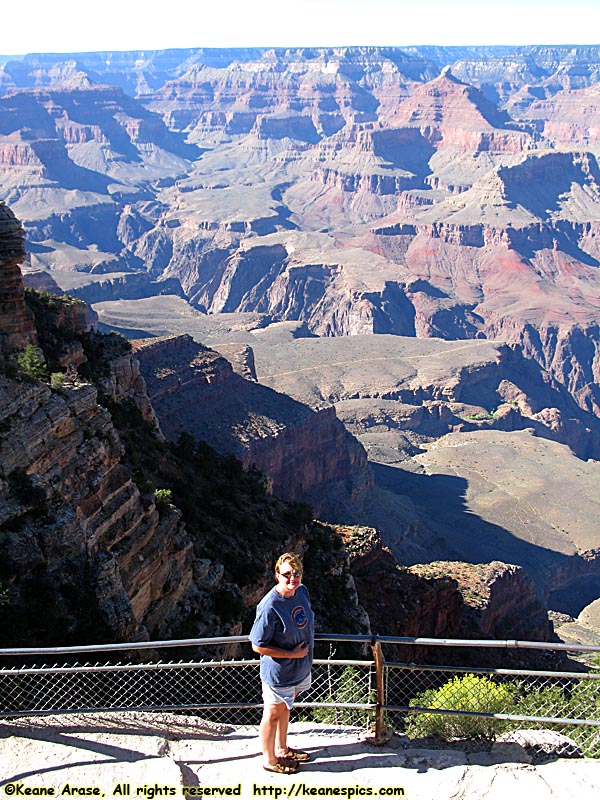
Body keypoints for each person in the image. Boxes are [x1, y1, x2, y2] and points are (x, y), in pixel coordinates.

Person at [250, 552, 315, 775]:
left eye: (296, 573)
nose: (292, 578)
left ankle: (282, 748)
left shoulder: (301, 592)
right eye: (287, 574)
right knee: (272, 713)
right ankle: (269, 760)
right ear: (277, 575)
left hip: (299, 669)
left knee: (285, 708)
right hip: (280, 672)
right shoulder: (270, 606)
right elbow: (257, 645)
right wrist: (291, 654)